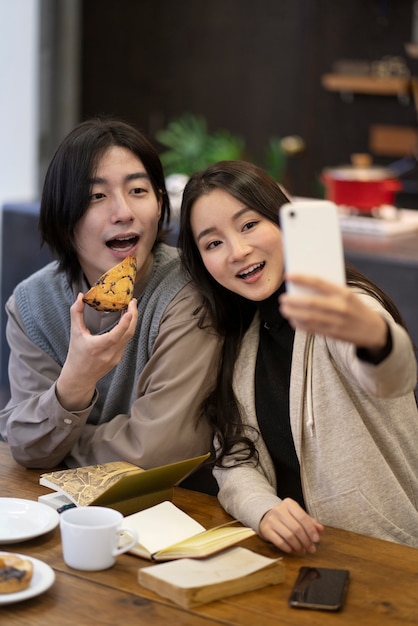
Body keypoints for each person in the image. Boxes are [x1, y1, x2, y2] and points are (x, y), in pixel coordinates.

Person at [178, 159, 418, 553]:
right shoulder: (241, 333)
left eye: (249, 224)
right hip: (294, 557)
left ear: (283, 220)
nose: (238, 251)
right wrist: (264, 510)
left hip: (386, 554)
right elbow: (235, 454)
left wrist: (373, 335)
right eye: (213, 243)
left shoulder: (342, 306)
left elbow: (393, 375)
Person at [0, 118, 221, 478]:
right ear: (63, 214)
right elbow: (23, 445)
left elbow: (157, 452)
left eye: (138, 191)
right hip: (67, 512)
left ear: (160, 202)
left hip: (178, 510)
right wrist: (75, 382)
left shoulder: (190, 292)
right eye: (96, 196)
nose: (124, 213)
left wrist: (59, 445)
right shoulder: (32, 304)